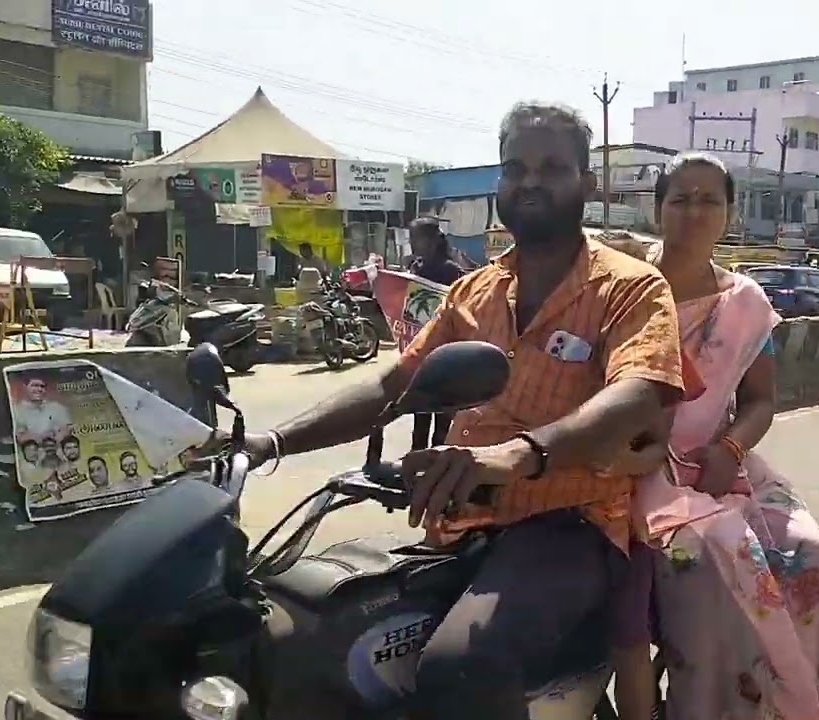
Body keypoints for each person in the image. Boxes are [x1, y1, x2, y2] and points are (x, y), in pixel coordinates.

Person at [237, 102, 686, 720]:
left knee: (459, 667)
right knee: (301, 633)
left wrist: (517, 456)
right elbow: (392, 385)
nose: (529, 181)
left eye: (551, 167)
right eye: (514, 168)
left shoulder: (630, 286)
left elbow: (639, 390)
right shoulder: (472, 291)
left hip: (569, 525)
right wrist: (269, 441)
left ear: (588, 182)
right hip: (458, 527)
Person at [608, 153, 819, 720]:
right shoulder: (621, 286)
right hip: (630, 469)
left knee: (808, 553)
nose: (694, 211)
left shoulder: (745, 302)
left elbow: (759, 402)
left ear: (728, 212)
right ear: (658, 210)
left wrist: (729, 450)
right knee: (720, 558)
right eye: (680, 199)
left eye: (709, 200)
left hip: (718, 463)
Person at [407, 217, 466, 450]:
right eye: (411, 238)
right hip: (422, 357)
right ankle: (417, 468)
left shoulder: (453, 272)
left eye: (417, 238)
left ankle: (437, 470)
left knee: (443, 424)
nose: (413, 244)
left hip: (448, 357)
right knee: (419, 420)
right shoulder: (415, 269)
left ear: (432, 240)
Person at [13, 376, 72, 443]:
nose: (39, 389)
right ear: (25, 387)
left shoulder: (57, 408)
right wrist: (44, 437)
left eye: (42, 386)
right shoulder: (16, 411)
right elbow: (21, 437)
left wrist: (53, 441)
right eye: (35, 385)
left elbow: (66, 431)